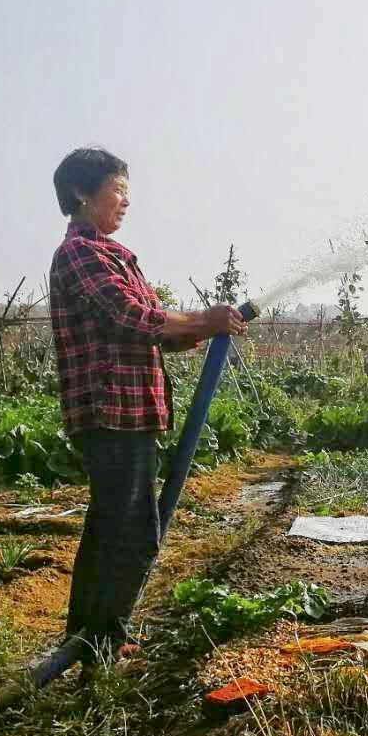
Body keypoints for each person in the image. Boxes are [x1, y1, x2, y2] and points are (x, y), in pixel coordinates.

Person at [48, 147, 246, 666]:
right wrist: (204, 318)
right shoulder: (80, 254)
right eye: (118, 191)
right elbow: (132, 318)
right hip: (110, 411)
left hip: (131, 412)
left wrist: (202, 326)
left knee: (111, 525)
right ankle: (102, 641)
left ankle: (89, 638)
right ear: (81, 194)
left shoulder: (114, 255)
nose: (125, 203)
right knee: (134, 531)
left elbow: (156, 323)